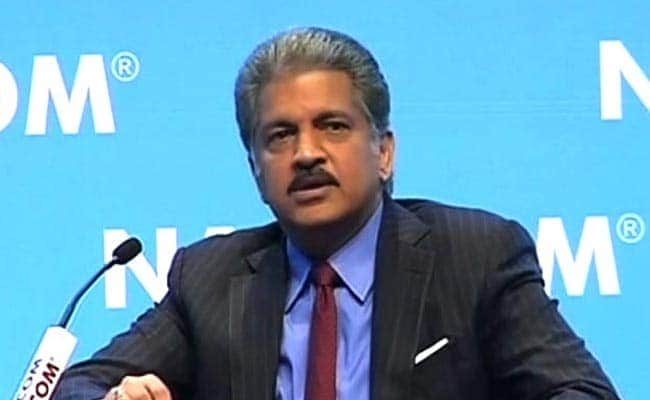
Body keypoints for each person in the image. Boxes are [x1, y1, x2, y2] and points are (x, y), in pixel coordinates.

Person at [52, 27, 619, 400]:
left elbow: (580, 392)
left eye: (333, 126)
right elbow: (75, 387)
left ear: (385, 153)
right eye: (280, 135)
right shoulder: (210, 279)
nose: (306, 153)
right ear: (255, 170)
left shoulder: (476, 256)